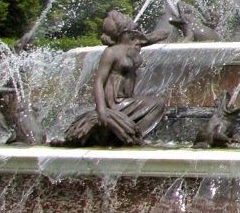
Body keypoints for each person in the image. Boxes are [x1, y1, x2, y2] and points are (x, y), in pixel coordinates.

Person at [59, 10, 169, 146]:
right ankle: (129, 137)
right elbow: (99, 81)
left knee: (157, 103)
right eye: (129, 22)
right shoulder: (110, 52)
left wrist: (143, 37)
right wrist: (101, 110)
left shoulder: (135, 46)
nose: (134, 24)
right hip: (113, 102)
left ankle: (130, 135)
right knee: (157, 103)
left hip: (127, 100)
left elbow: (164, 33)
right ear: (125, 29)